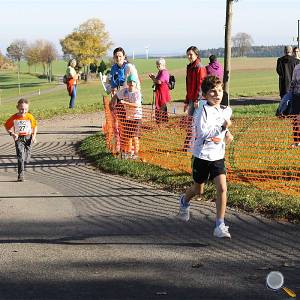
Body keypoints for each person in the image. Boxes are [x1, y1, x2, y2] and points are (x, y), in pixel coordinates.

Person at [178, 76, 234, 239]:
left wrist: (228, 133)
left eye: (220, 90)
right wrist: (223, 127)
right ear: (205, 94)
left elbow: (223, 129)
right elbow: (203, 133)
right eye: (213, 92)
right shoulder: (201, 111)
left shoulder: (225, 110)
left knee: (222, 188)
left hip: (217, 156)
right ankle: (184, 200)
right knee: (198, 190)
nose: (217, 94)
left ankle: (220, 224)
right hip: (201, 155)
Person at [4, 98, 37, 182]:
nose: (23, 111)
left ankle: (27, 155)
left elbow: (35, 126)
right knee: (20, 157)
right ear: (17, 107)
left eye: (26, 109)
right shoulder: (14, 117)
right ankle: (20, 175)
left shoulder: (29, 116)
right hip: (18, 138)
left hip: (28, 137)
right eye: (22, 109)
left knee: (27, 158)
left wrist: (33, 136)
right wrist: (12, 134)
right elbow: (7, 126)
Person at [110, 74, 142, 159]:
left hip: (137, 117)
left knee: (135, 136)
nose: (131, 83)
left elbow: (136, 105)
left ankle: (136, 153)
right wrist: (112, 102)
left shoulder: (137, 93)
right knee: (128, 135)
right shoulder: (124, 91)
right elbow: (116, 96)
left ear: (135, 83)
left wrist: (125, 103)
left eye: (133, 81)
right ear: (127, 83)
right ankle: (130, 152)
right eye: (130, 81)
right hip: (129, 117)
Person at [183, 46, 207, 150]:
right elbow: (188, 86)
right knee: (190, 122)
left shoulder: (199, 67)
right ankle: (189, 144)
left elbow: (201, 84)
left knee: (195, 123)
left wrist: (198, 99)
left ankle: (192, 145)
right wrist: (187, 101)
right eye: (187, 54)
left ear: (196, 55)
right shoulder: (190, 67)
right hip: (192, 98)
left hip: (198, 99)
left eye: (191, 54)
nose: (189, 56)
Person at [149, 58, 171, 123]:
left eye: (159, 64)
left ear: (164, 64)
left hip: (162, 93)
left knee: (161, 107)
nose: (158, 66)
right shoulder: (160, 71)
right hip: (160, 92)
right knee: (160, 107)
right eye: (157, 64)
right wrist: (153, 78)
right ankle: (160, 122)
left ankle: (162, 122)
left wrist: (153, 78)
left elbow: (159, 81)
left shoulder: (164, 72)